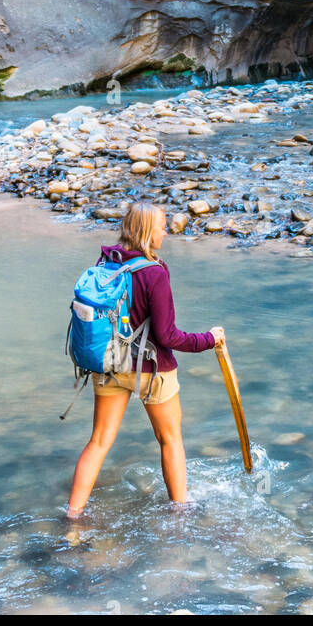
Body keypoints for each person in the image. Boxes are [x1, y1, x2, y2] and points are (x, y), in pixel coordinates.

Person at [66, 201, 223, 515]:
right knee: (170, 439)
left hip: (108, 364)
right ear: (148, 232)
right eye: (161, 226)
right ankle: (180, 512)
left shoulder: (106, 261)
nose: (166, 231)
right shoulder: (155, 273)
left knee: (98, 442)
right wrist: (209, 339)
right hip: (152, 370)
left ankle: (72, 516)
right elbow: (168, 337)